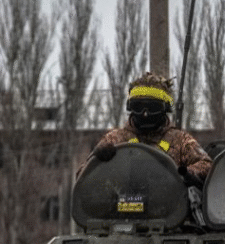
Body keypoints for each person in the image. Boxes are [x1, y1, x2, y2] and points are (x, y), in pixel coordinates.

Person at [85, 72, 213, 187]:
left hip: (169, 204)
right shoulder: (115, 139)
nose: (145, 114)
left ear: (165, 109)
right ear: (130, 108)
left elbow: (208, 165)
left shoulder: (180, 140)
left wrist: (185, 173)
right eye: (138, 107)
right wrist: (97, 159)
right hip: (120, 203)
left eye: (152, 108)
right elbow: (83, 175)